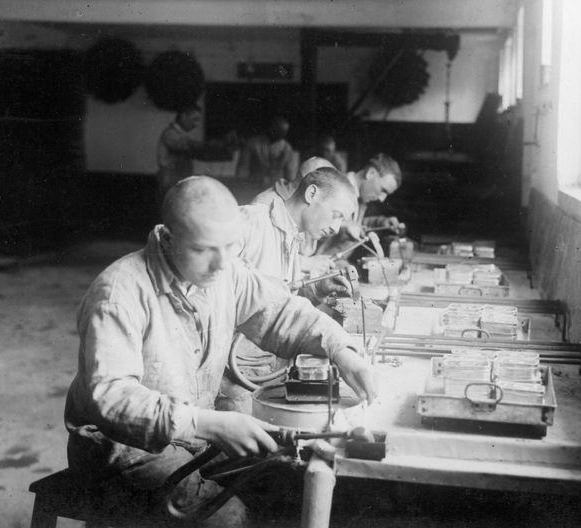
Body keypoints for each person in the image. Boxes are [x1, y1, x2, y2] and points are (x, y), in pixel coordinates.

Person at [64, 176, 376, 527]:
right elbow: (111, 398)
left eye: (230, 246)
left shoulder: (225, 272)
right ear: (167, 238)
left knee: (286, 481)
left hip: (191, 438)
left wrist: (340, 349)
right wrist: (206, 423)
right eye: (203, 249)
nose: (222, 263)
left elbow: (281, 311)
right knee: (231, 519)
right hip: (120, 451)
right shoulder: (118, 293)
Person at [216, 166, 360, 413]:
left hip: (260, 367)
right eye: (336, 215)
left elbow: (282, 296)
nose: (336, 228)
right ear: (312, 194)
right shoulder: (251, 221)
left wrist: (318, 288)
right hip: (229, 375)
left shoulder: (292, 236)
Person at [316, 152, 403, 257]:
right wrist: (344, 227)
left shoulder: (360, 197)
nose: (382, 198)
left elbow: (353, 224)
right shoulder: (336, 188)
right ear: (370, 173)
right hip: (315, 265)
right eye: (382, 190)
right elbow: (316, 222)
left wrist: (380, 223)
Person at [156, 103, 232, 194]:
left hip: (176, 185)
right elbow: (190, 146)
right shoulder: (170, 133)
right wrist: (217, 143)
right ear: (184, 116)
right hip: (170, 185)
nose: (196, 124)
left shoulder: (178, 134)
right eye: (194, 119)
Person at [235, 115, 297, 184]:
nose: (282, 135)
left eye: (284, 132)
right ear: (271, 128)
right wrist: (241, 184)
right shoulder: (252, 143)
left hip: (275, 189)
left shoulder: (287, 148)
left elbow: (290, 176)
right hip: (253, 185)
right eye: (279, 131)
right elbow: (242, 169)